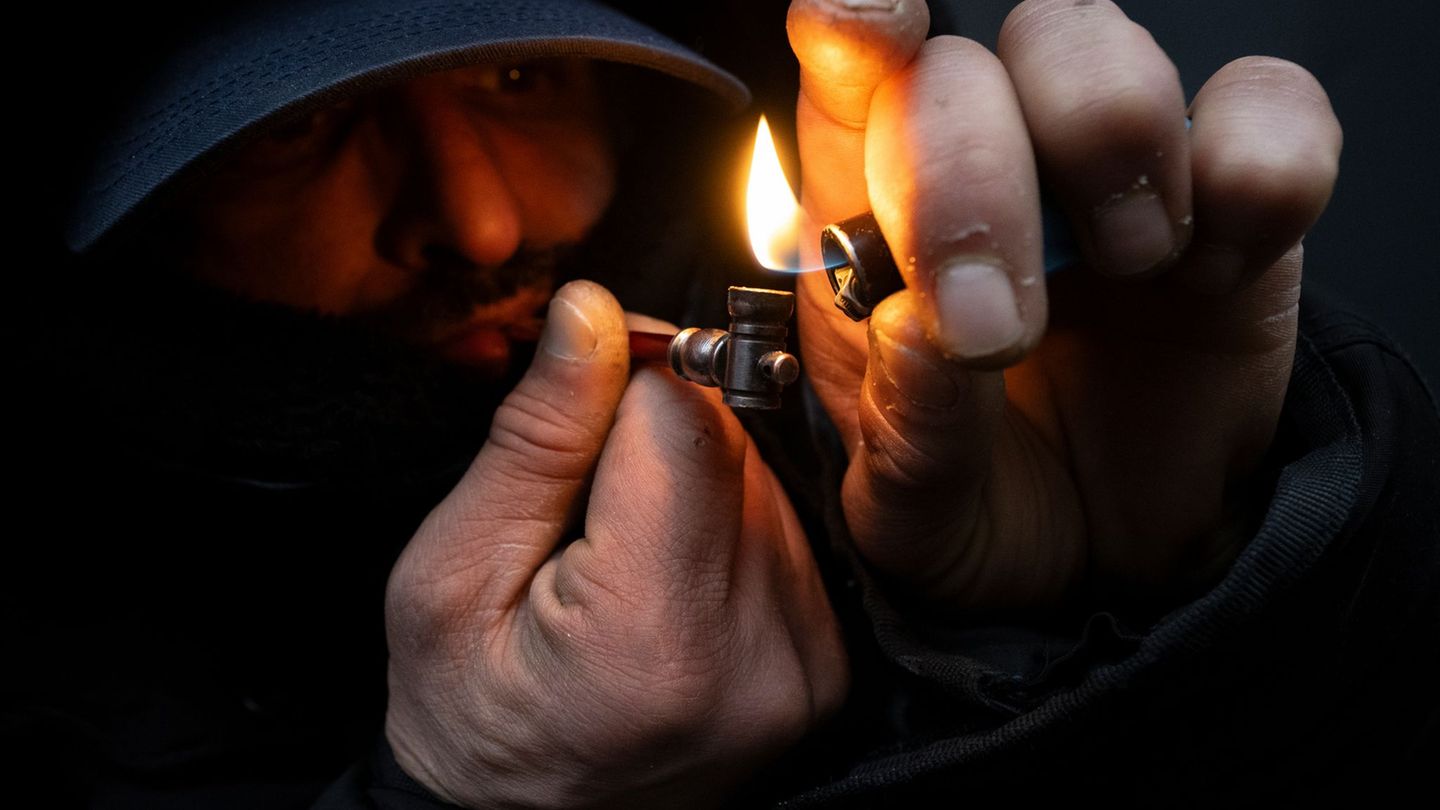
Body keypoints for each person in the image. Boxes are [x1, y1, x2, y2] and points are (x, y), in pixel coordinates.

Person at [11, 0, 1435, 807]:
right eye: (300, 131)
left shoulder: (892, 444)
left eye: (518, 75)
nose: (490, 223)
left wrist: (1158, 613)